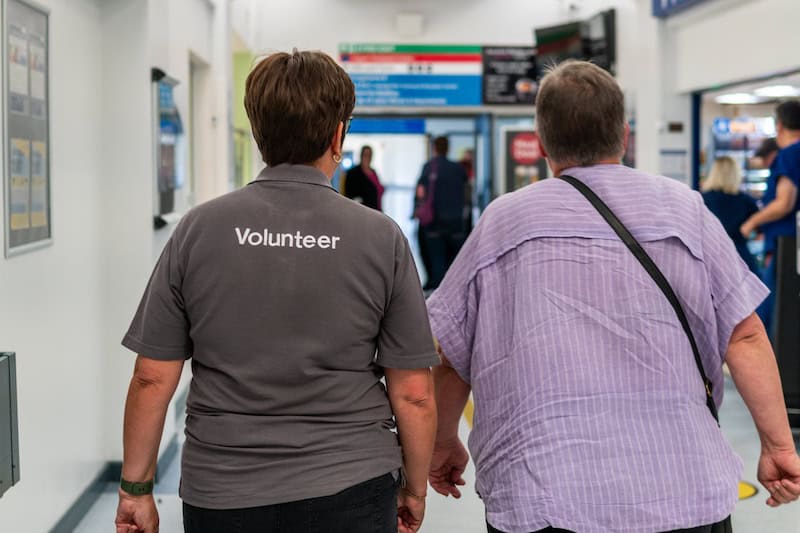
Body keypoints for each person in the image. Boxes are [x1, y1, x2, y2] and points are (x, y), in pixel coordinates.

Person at [427, 60, 800, 533]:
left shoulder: (505, 221)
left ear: (541, 144)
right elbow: (744, 336)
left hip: (545, 490)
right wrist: (779, 447)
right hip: (681, 485)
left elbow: (452, 355)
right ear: (624, 136)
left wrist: (441, 445)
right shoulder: (684, 208)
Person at [114, 50, 439, 533]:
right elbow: (412, 392)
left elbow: (151, 377)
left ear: (258, 132)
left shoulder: (199, 229)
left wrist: (136, 488)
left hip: (223, 491)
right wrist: (413, 486)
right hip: (351, 484)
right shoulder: (380, 236)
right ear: (337, 135)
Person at [741, 106, 800, 337]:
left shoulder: (789, 154)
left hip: (784, 246)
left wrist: (752, 222)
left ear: (780, 126)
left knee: (774, 317)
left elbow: (784, 202)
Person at [414, 136, 469, 290]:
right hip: (456, 224)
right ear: (448, 148)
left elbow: (421, 192)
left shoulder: (429, 167)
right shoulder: (458, 168)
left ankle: (438, 300)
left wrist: (417, 209)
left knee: (437, 262)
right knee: (454, 265)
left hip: (435, 224)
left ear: (434, 148)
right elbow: (466, 193)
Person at [701, 156, 759, 273]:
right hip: (740, 257)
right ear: (736, 174)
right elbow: (759, 232)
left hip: (709, 257)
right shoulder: (746, 201)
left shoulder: (701, 199)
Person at [343, 145, 385, 211]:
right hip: (363, 212)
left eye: (369, 155)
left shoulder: (373, 172)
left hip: (376, 210)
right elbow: (348, 195)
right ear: (361, 155)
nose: (367, 157)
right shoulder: (353, 173)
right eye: (365, 155)